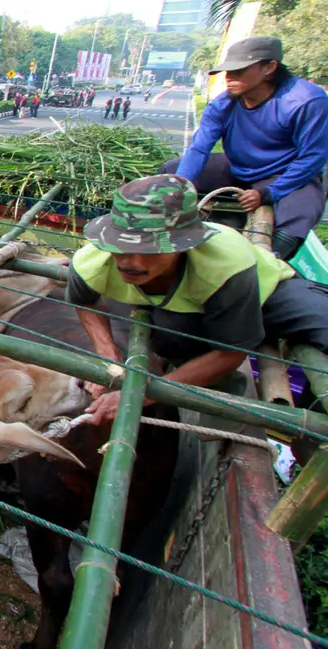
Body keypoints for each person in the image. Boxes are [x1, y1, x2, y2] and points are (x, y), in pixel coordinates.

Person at [67, 174, 328, 428]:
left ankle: (306, 428)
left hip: (265, 294)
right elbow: (83, 301)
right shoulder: (90, 264)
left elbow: (232, 350)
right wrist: (108, 353)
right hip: (186, 310)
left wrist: (141, 394)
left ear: (183, 244)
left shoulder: (226, 265)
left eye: (149, 248)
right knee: (171, 337)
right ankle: (212, 386)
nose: (129, 262)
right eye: (120, 245)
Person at [163, 36, 328, 261]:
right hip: (237, 166)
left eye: (239, 71)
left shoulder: (306, 101)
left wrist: (269, 193)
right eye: (227, 72)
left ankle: (270, 262)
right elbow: (199, 149)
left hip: (285, 173)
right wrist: (180, 185)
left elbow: (313, 157)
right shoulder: (223, 104)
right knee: (170, 172)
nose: (229, 78)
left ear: (269, 67)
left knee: (299, 212)